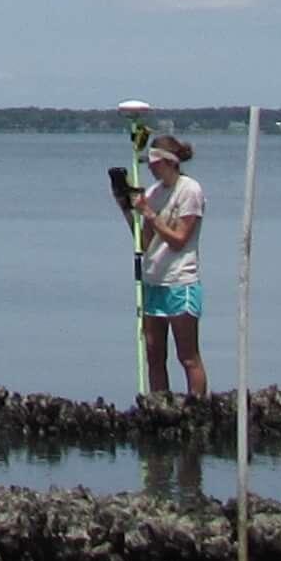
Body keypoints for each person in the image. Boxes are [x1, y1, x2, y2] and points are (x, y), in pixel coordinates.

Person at [105, 130, 212, 401]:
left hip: (180, 280)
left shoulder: (189, 190)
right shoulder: (153, 192)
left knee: (187, 355)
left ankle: (196, 407)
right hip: (154, 281)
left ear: (168, 162)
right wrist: (127, 209)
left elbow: (179, 239)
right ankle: (159, 405)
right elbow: (142, 240)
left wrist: (151, 215)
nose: (151, 169)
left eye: (154, 164)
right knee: (154, 354)